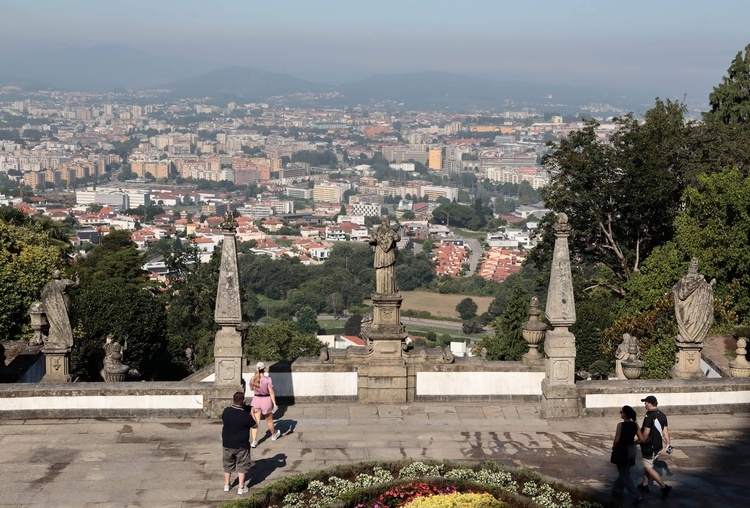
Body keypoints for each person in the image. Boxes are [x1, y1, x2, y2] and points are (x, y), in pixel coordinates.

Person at [638, 395, 672, 499]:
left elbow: (646, 433)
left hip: (649, 446)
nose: (645, 404)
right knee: (648, 465)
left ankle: (664, 487)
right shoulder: (662, 415)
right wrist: (668, 444)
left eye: (646, 402)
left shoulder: (649, 415)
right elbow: (665, 431)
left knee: (648, 467)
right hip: (658, 446)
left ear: (650, 403)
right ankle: (645, 484)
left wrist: (639, 441)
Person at [221, 391, 253, 495]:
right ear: (243, 401)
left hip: (227, 443)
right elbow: (255, 425)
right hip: (242, 444)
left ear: (233, 400)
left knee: (228, 464)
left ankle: (227, 485)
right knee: (242, 465)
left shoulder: (226, 411)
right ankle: (240, 487)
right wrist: (251, 412)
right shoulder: (245, 415)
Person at [611, 405, 644, 505]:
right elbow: (641, 439)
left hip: (622, 450)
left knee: (625, 474)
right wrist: (634, 443)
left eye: (621, 412)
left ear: (624, 414)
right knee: (625, 471)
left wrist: (613, 446)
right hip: (632, 450)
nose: (621, 413)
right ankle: (617, 490)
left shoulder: (620, 425)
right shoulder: (635, 425)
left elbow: (617, 440)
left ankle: (636, 496)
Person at [40, 270, 79, 349]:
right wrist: (48, 305)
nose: (55, 274)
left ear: (60, 274)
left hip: (64, 302)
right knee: (54, 321)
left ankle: (64, 338)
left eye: (57, 273)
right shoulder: (49, 284)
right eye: (54, 273)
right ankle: (56, 339)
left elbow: (75, 286)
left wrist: (77, 278)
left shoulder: (65, 281)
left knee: (64, 320)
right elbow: (43, 295)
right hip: (53, 305)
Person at [250, 362, 280, 447]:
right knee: (269, 420)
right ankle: (273, 434)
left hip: (256, 400)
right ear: (264, 369)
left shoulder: (253, 379)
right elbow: (271, 392)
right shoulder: (268, 379)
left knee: (256, 421)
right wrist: (274, 403)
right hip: (266, 400)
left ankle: (254, 441)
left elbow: (251, 389)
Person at [369, 216, 400, 295]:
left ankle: (385, 290)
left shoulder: (376, 231)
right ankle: (386, 291)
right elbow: (397, 238)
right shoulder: (390, 231)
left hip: (381, 253)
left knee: (385, 271)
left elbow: (371, 240)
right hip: (384, 254)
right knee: (386, 271)